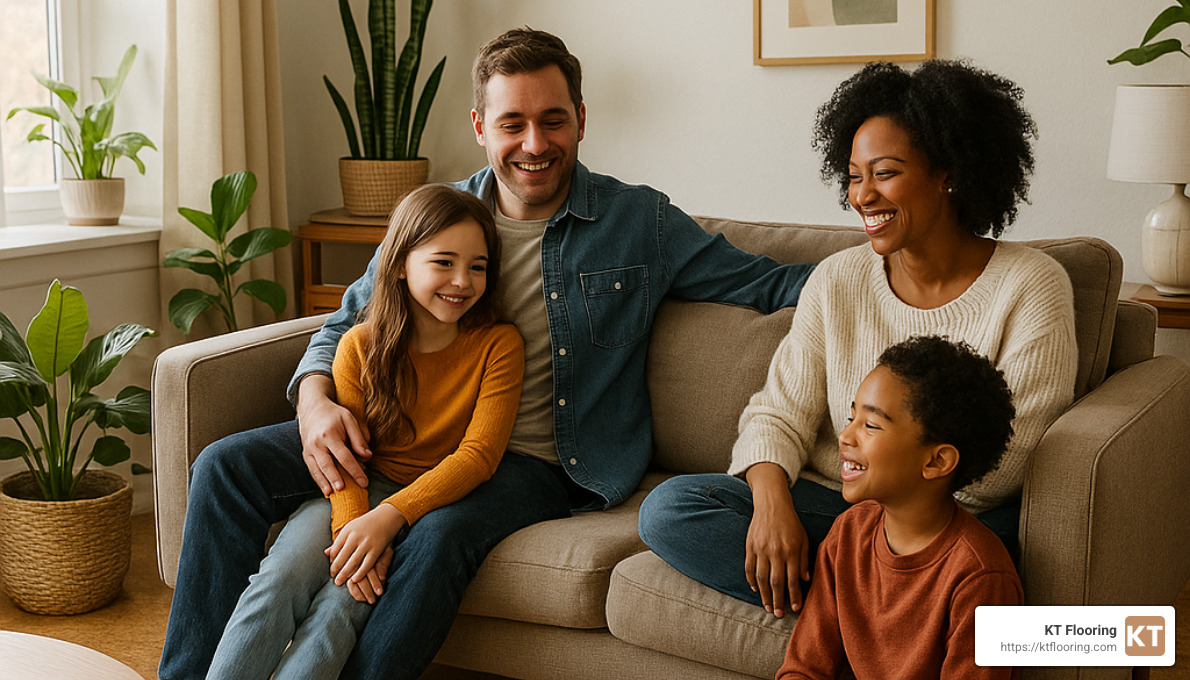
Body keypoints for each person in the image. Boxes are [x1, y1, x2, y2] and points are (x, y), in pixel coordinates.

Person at [159, 28, 815, 680]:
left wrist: (897, 274)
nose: (535, 144)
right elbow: (345, 325)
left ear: (581, 120)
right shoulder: (436, 218)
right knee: (223, 466)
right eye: (513, 123)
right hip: (399, 433)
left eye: (553, 120)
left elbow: (772, 282)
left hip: (537, 461)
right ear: (480, 125)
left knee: (442, 535)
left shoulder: (640, 222)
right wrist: (315, 403)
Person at [638, 59, 1078, 622]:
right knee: (671, 509)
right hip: (833, 505)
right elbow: (777, 413)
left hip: (943, 516)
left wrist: (882, 506)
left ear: (948, 172)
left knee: (993, 551)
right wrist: (772, 506)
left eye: (884, 173)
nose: (862, 195)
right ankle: (900, 615)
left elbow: (1009, 458)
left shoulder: (1030, 284)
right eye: (852, 176)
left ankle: (862, 608)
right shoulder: (837, 279)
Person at [203, 184, 524, 679]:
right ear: (399, 263)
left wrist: (387, 521)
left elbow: (479, 456)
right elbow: (347, 458)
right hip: (352, 494)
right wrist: (353, 530)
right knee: (278, 582)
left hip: (422, 504)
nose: (462, 280)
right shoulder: (358, 345)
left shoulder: (499, 345)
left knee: (339, 609)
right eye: (443, 262)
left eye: (478, 266)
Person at [776, 335, 1022, 680]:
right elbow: (804, 668)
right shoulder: (848, 532)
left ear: (937, 461)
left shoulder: (980, 577)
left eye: (870, 425)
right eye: (851, 417)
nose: (845, 436)